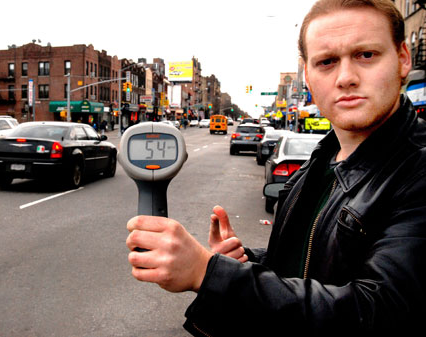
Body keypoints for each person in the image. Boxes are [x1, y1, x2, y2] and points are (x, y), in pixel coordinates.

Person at [126, 0, 426, 335]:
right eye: (327, 62)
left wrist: (208, 273)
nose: (346, 77)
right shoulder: (316, 168)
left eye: (366, 55)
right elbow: (306, 267)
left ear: (402, 58)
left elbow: (378, 311)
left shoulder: (417, 168)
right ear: (308, 77)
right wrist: (243, 262)